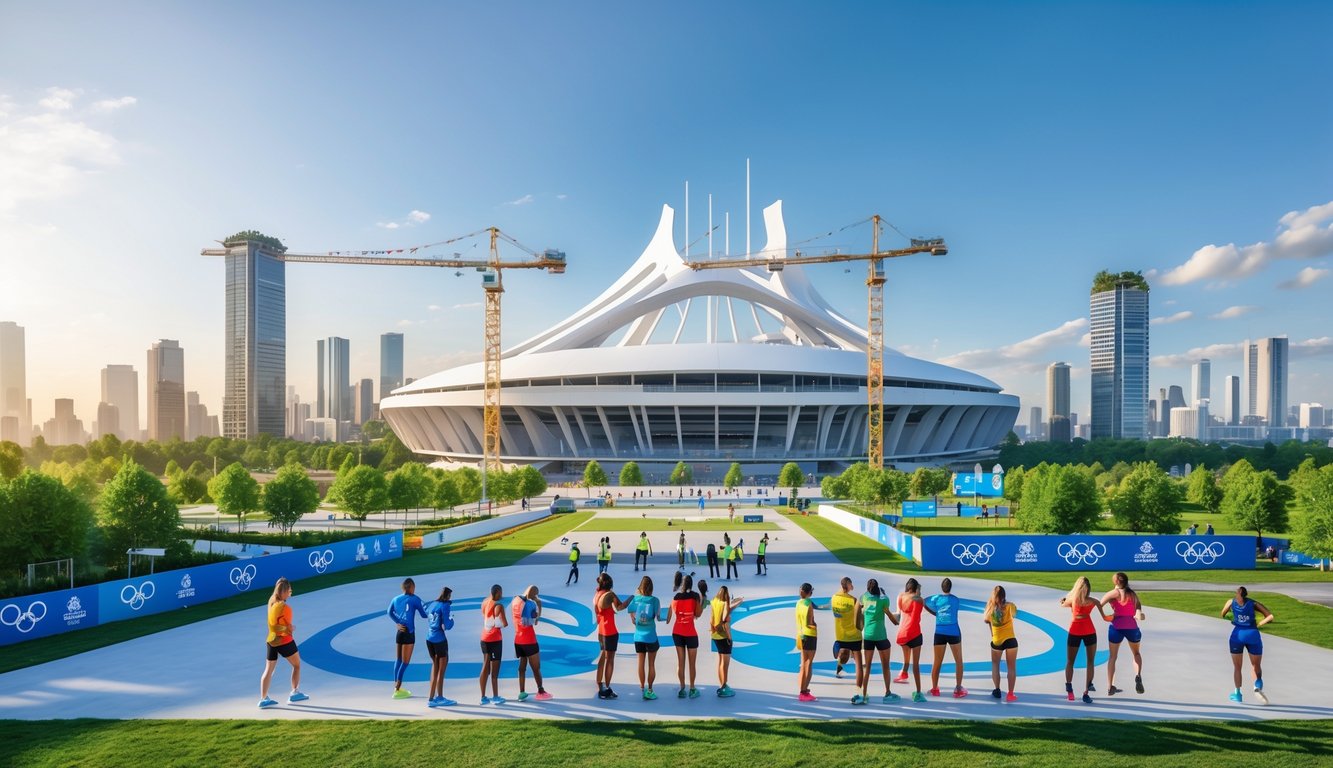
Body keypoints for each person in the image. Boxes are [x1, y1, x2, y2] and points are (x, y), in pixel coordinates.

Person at [259, 577, 307, 708]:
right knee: (297, 665)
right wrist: (291, 628)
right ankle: (294, 692)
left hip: (270, 640)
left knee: (268, 670)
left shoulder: (271, 600)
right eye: (290, 591)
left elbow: (274, 624)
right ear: (285, 591)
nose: (291, 593)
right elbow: (286, 628)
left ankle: (263, 699)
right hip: (284, 641)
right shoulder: (285, 607)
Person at [1222, 586, 1274, 703]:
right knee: (1255, 665)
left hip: (1237, 636)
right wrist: (1260, 623)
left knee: (1237, 667)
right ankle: (1257, 685)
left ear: (1237, 594)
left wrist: (1233, 616)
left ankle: (1238, 694)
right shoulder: (1253, 603)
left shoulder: (1231, 602)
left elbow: (1223, 614)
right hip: (1253, 634)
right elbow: (1270, 616)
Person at [1060, 576, 1105, 703]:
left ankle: (1069, 688)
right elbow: (1104, 613)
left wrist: (1063, 601)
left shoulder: (1072, 600)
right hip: (1089, 631)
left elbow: (1063, 603)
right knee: (1090, 662)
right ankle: (1086, 691)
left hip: (1075, 631)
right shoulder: (1093, 601)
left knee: (1070, 661)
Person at [1100, 572, 1146, 696]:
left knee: (1113, 657)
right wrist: (1138, 615)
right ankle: (1138, 675)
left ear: (1116, 582)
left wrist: (1105, 616)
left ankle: (1110, 686)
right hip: (1131, 627)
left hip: (1116, 627)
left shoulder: (1112, 593)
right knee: (1136, 653)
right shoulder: (1133, 594)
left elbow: (1099, 604)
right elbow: (1139, 611)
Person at [857, 578, 901, 705]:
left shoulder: (863, 598)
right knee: (885, 665)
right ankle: (887, 692)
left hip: (868, 635)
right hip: (881, 636)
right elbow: (890, 614)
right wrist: (883, 593)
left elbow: (861, 605)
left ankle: (864, 694)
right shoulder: (884, 600)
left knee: (868, 667)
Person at [923, 578, 966, 698]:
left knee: (937, 662)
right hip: (953, 632)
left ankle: (935, 688)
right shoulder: (955, 600)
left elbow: (924, 602)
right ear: (950, 587)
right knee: (958, 661)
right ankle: (958, 688)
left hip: (940, 632)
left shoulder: (936, 598)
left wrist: (935, 613)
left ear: (941, 587)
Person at [388, 577, 427, 699]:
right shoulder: (414, 599)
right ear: (411, 587)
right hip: (409, 632)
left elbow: (389, 611)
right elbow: (424, 614)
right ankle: (397, 688)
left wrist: (397, 622)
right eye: (414, 587)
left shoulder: (395, 599)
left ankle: (396, 686)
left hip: (400, 632)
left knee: (398, 659)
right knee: (405, 662)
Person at [627, 576, 665, 700]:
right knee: (651, 664)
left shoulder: (635, 600)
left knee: (640, 663)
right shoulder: (655, 600)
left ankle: (642, 687)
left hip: (638, 636)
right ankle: (650, 689)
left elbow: (633, 619)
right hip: (650, 636)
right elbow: (658, 617)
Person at [512, 585, 551, 701]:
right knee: (536, 668)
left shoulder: (515, 601)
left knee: (522, 667)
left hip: (518, 640)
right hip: (529, 640)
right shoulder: (530, 604)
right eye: (536, 594)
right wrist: (538, 603)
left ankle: (522, 693)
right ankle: (541, 691)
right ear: (533, 594)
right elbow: (535, 620)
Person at [671, 573, 706, 698]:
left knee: (680, 662)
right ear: (691, 584)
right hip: (690, 632)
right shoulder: (695, 596)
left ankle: (682, 688)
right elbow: (698, 614)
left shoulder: (676, 597)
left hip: (677, 632)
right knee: (692, 663)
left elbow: (675, 612)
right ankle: (692, 688)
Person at [593, 572, 627, 699]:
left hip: (601, 629)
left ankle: (599, 682)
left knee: (602, 656)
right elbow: (620, 607)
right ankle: (607, 688)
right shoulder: (610, 594)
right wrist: (632, 598)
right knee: (610, 660)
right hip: (610, 631)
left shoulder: (597, 594)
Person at [984, 585, 1019, 702]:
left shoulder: (990, 607)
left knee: (995, 665)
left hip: (997, 640)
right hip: (1010, 639)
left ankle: (997, 690)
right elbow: (1015, 614)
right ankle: (1010, 693)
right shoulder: (1010, 606)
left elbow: (986, 620)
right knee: (1012, 667)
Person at [894, 578, 926, 702]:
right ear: (916, 588)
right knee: (916, 665)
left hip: (903, 633)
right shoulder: (919, 600)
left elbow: (897, 615)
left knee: (906, 656)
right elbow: (918, 601)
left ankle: (903, 673)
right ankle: (918, 692)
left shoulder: (900, 597)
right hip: (915, 633)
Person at [424, 586, 456, 707]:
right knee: (441, 671)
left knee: (434, 668)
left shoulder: (432, 604)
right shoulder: (445, 605)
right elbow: (447, 626)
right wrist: (451, 619)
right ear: (448, 596)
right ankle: (440, 697)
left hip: (429, 639)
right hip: (440, 641)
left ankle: (431, 699)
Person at [710, 584, 744, 697]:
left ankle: (722, 685)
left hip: (715, 635)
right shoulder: (725, 604)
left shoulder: (715, 602)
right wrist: (729, 638)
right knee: (725, 664)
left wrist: (737, 602)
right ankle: (724, 686)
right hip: (724, 637)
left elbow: (727, 609)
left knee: (720, 662)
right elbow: (725, 616)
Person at [830, 577, 862, 687]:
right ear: (848, 584)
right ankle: (859, 691)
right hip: (854, 634)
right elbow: (859, 615)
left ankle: (839, 666)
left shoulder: (834, 598)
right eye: (851, 583)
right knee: (857, 661)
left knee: (844, 653)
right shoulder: (853, 600)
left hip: (840, 634)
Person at [479, 584, 508, 704]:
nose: (502, 595)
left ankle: (483, 697)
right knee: (494, 671)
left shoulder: (485, 602)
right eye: (501, 593)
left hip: (484, 638)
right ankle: (495, 697)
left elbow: (485, 618)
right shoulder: (499, 606)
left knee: (485, 667)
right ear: (497, 592)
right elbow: (504, 624)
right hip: (495, 640)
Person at [795, 582, 819, 702]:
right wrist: (816, 626)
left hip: (801, 635)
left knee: (803, 663)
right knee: (808, 663)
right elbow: (810, 623)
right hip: (810, 635)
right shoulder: (809, 604)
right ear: (810, 593)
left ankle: (802, 689)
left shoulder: (799, 603)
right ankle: (804, 692)